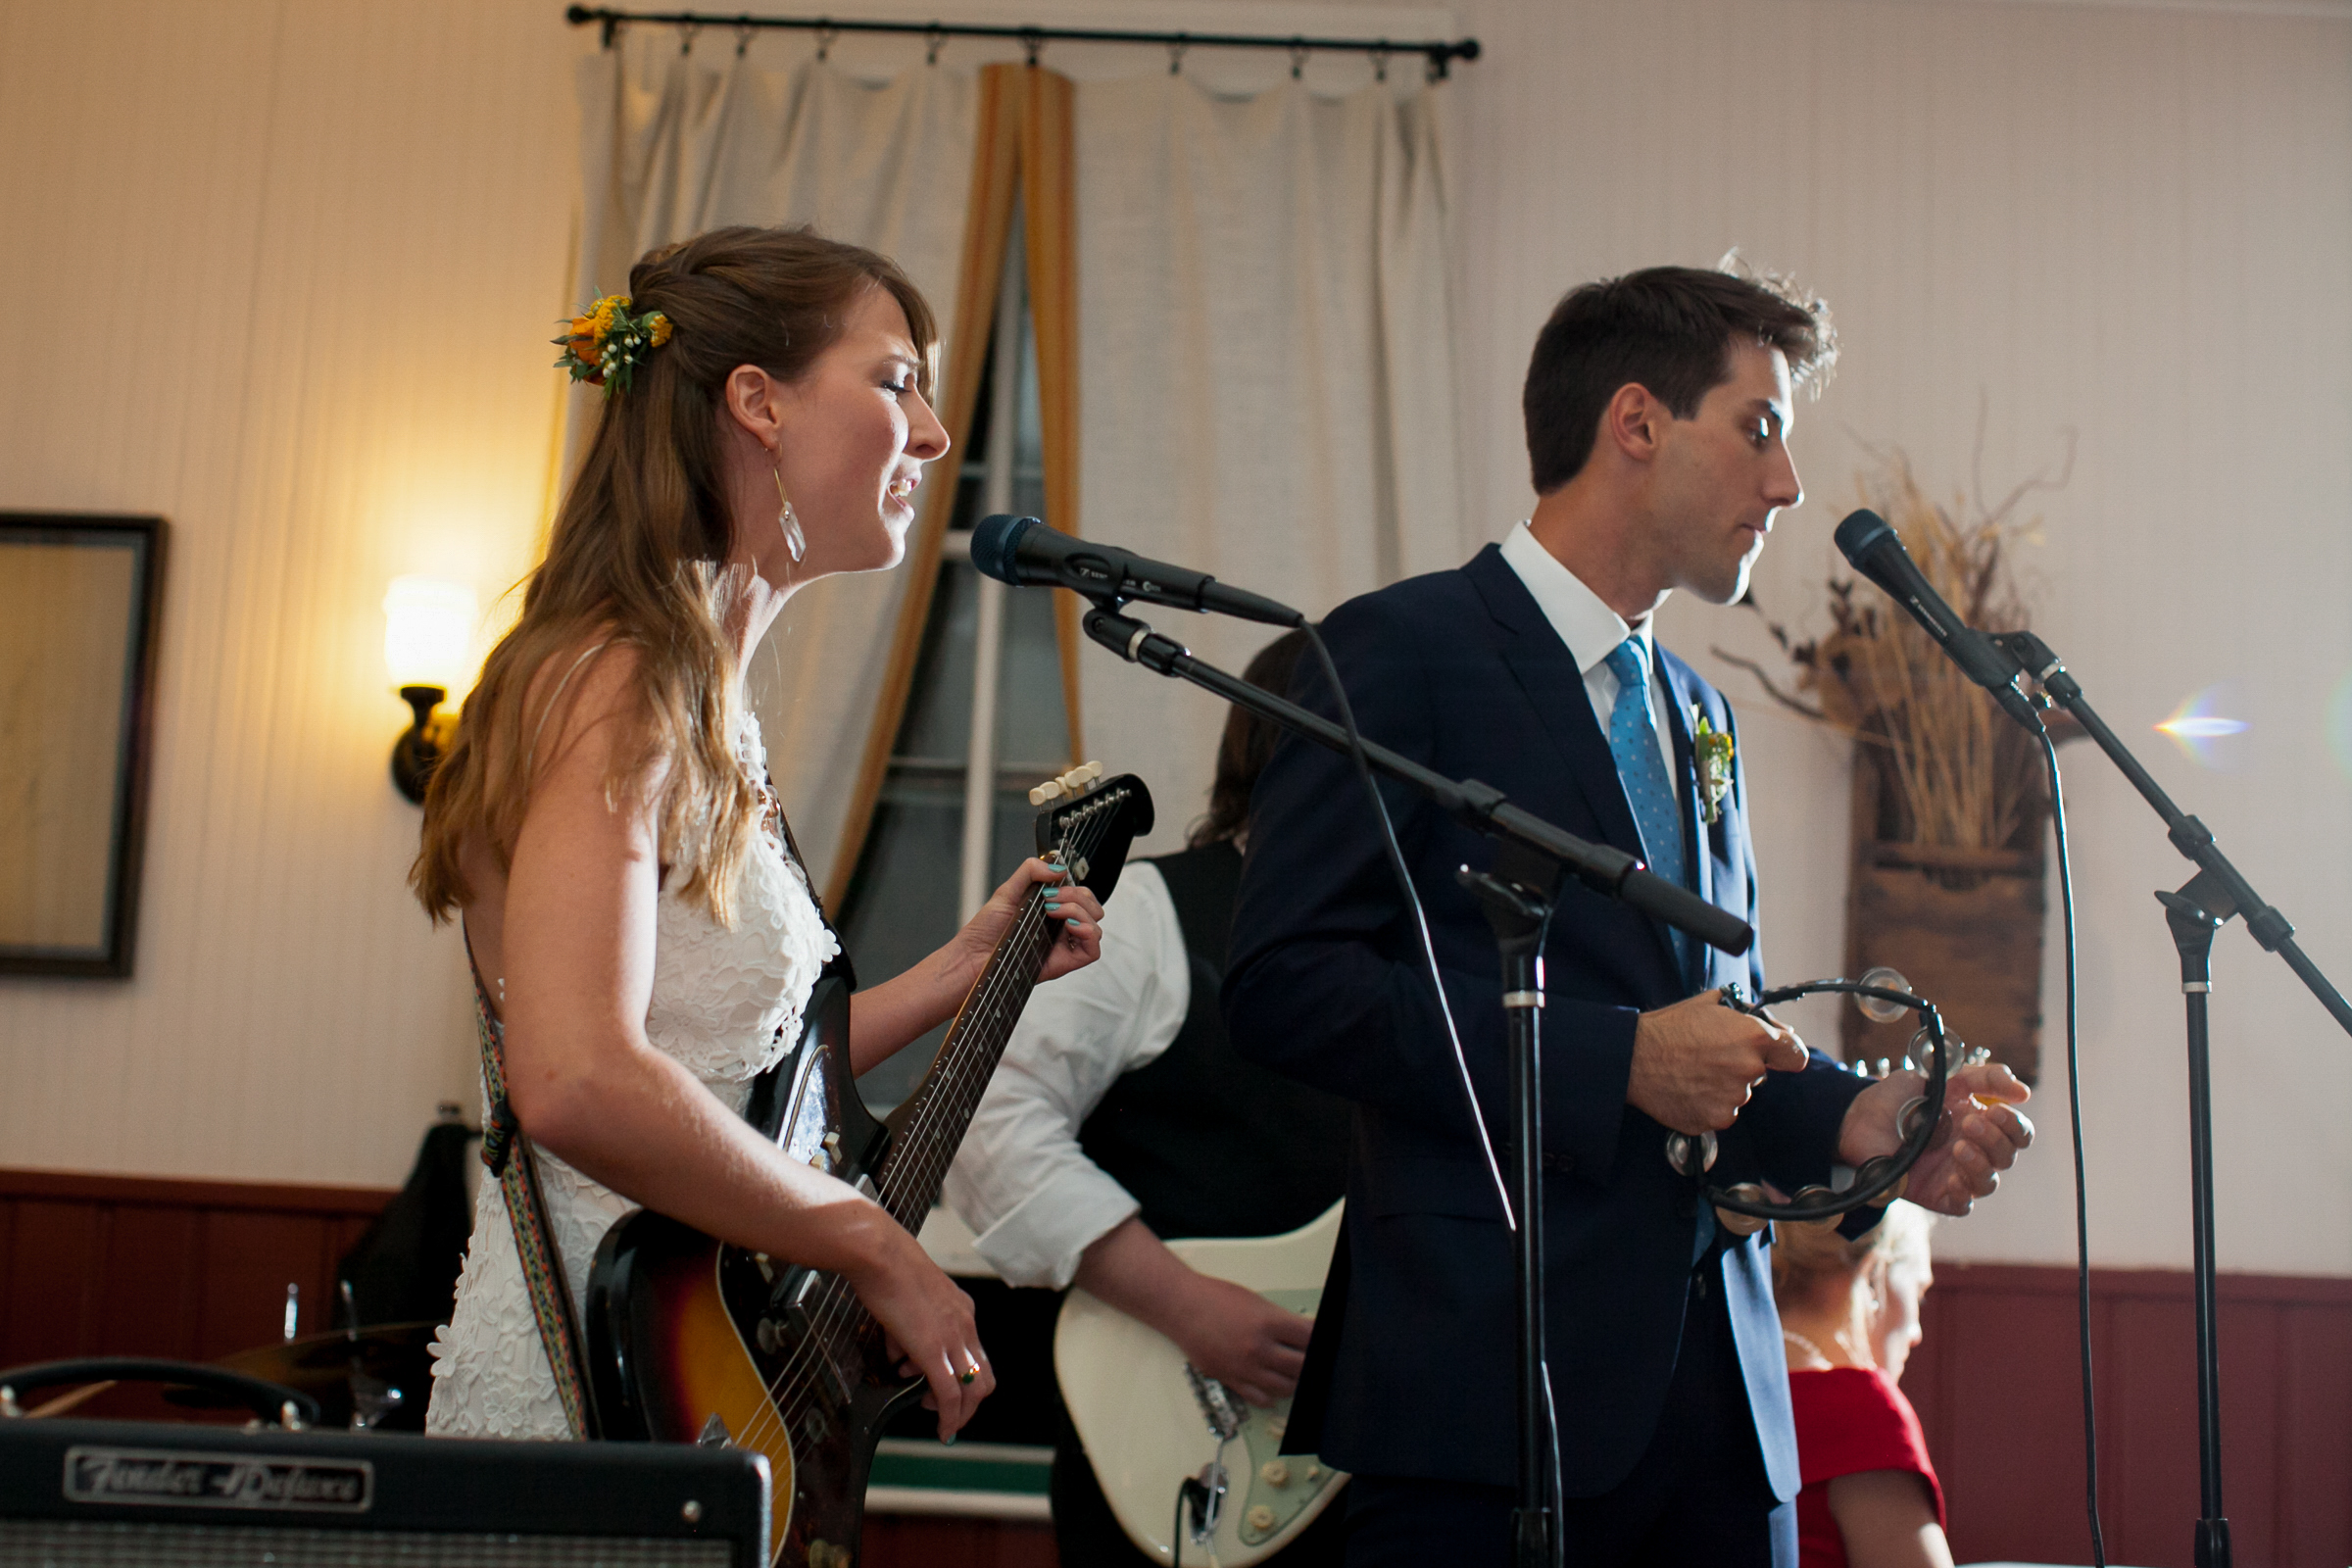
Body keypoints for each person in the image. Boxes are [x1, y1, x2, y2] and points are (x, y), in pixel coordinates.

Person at [1223, 265, 2034, 1564]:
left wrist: (1860, 1118)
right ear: (1638, 423)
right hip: (1489, 1406)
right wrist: (1617, 1060)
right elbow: (1285, 987)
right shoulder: (1392, 653)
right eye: (1760, 430)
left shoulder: (1700, 717)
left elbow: (1727, 1045)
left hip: (1722, 1420)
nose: (1787, 486)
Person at [409, 225, 1103, 1442]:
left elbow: (721, 1071)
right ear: (756, 403)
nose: (935, 436)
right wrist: (867, 1239)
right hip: (593, 1396)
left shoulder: (696, 693)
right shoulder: (612, 678)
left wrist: (959, 974)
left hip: (693, 1378)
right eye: (897, 382)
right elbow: (574, 1078)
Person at [947, 628, 1352, 1566]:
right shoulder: (1144, 915)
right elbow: (984, 1123)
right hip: (1176, 1443)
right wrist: (1186, 1306)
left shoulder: (1436, 960)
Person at [1774, 1203, 1951, 1568]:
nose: (1916, 1333)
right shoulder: (1859, 1409)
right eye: (1918, 1292)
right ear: (1874, 1274)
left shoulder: (1717, 1382)